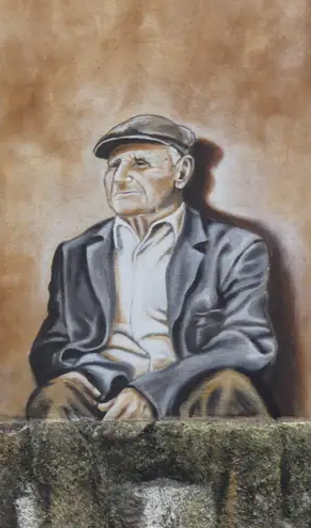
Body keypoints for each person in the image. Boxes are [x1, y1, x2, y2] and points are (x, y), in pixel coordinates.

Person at [26, 114, 278, 421]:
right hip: (104, 396)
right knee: (55, 397)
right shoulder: (76, 253)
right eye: (114, 166)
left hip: (189, 390)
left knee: (229, 389)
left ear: (181, 172)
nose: (120, 177)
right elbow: (51, 346)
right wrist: (94, 377)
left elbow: (247, 341)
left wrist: (153, 390)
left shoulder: (235, 248)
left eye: (140, 164)